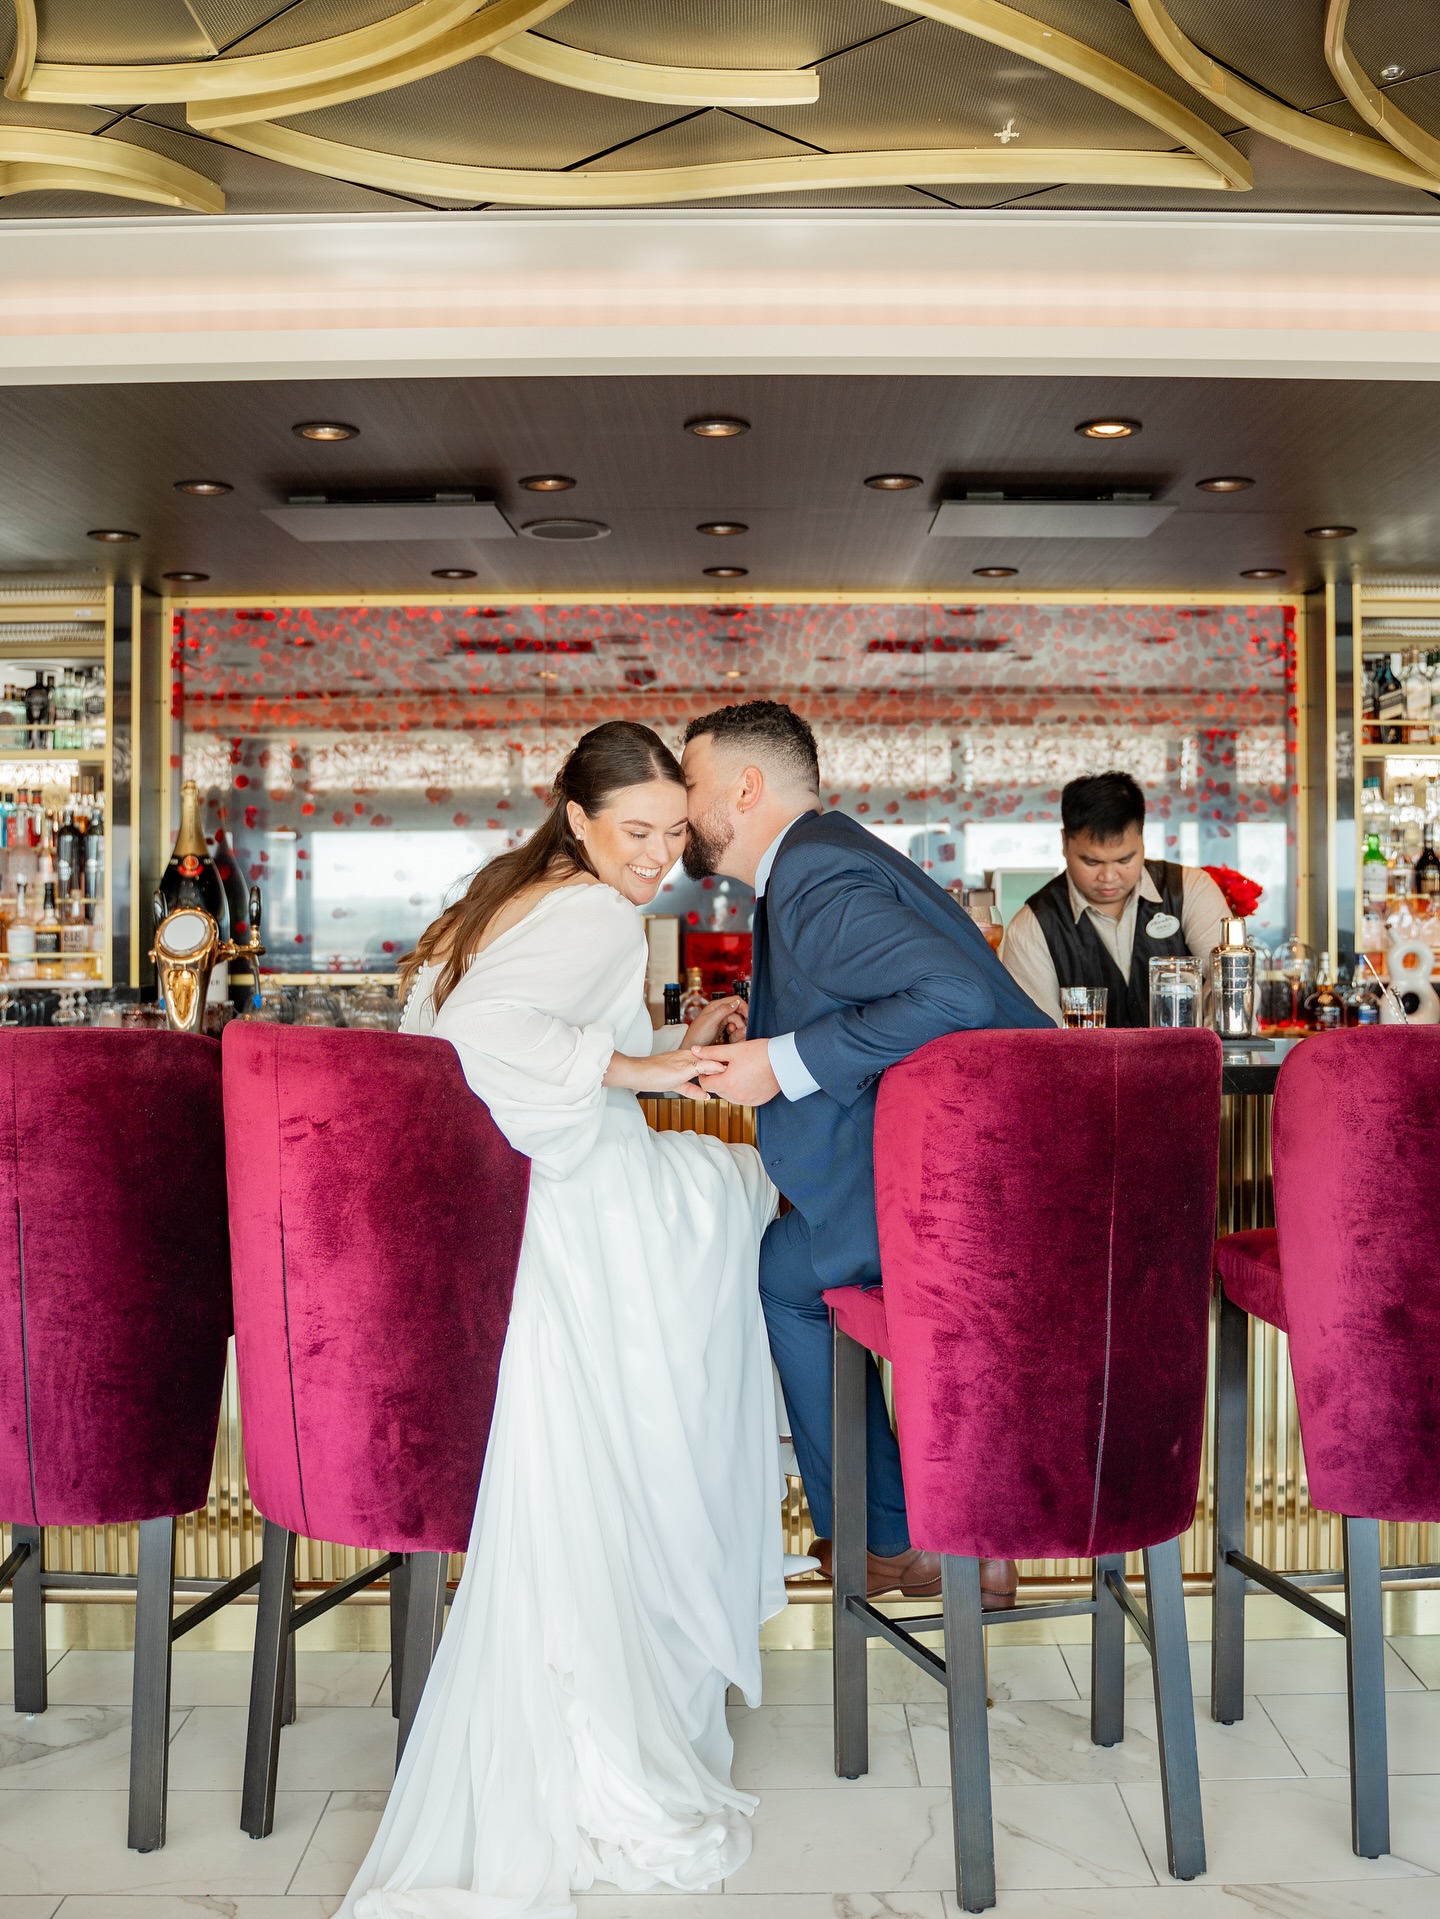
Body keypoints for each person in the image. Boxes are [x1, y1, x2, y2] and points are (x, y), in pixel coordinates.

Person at [342, 722, 785, 1919]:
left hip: (511, 1214)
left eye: (670, 837)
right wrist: (654, 1077)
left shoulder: (512, 889)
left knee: (720, 1216)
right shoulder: (592, 908)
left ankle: (676, 1574)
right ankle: (791, 1527)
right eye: (633, 833)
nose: (654, 857)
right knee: (756, 1208)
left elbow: (500, 1035)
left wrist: (665, 1045)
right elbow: (487, 1041)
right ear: (579, 817)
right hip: (580, 1200)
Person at [680, 701, 1049, 1609]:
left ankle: (889, 1536)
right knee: (791, 1253)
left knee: (780, 1270)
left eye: (690, 785)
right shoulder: (825, 854)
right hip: (1018, 1179)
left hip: (977, 1199)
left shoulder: (810, 873)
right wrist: (761, 1026)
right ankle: (931, 1534)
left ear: (746, 787)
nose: (680, 806)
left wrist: (781, 1059)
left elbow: (953, 992)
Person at [999, 770, 1228, 1028]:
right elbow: (1040, 1037)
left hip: (1194, 1066)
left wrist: (1199, 1055)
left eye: (1124, 860)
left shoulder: (1189, 890)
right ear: (1064, 844)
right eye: (1091, 861)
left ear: (1142, 838)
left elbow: (1229, 989)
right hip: (1080, 1068)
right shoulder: (1033, 926)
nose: (1108, 876)